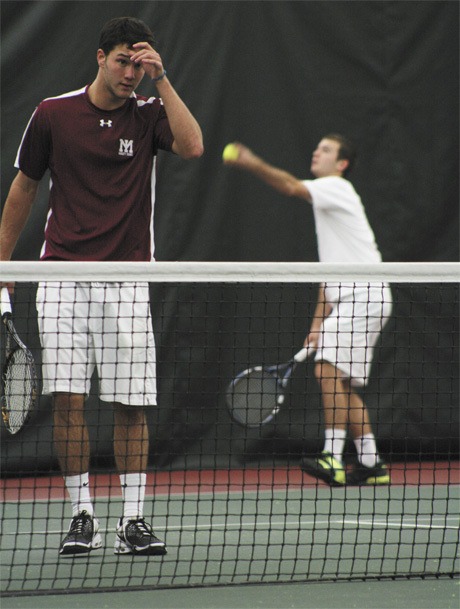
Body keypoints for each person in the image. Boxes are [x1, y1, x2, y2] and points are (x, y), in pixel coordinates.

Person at [0, 17, 203, 555]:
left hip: (129, 281)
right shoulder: (53, 113)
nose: (131, 73)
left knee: (131, 405)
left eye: (140, 64)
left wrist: (164, 80)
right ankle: (82, 514)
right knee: (68, 402)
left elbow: (193, 147)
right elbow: (22, 189)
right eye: (123, 62)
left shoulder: (151, 113)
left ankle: (132, 520)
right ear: (99, 57)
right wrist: (2, 269)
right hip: (62, 279)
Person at [223, 135, 392, 486]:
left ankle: (332, 456)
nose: (317, 152)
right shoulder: (328, 206)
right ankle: (371, 463)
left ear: (342, 164)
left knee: (326, 371)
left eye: (326, 149)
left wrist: (251, 160)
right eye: (316, 147)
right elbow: (327, 276)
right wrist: (318, 324)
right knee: (342, 384)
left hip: (364, 295)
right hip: (361, 297)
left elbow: (288, 186)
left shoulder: (335, 187)